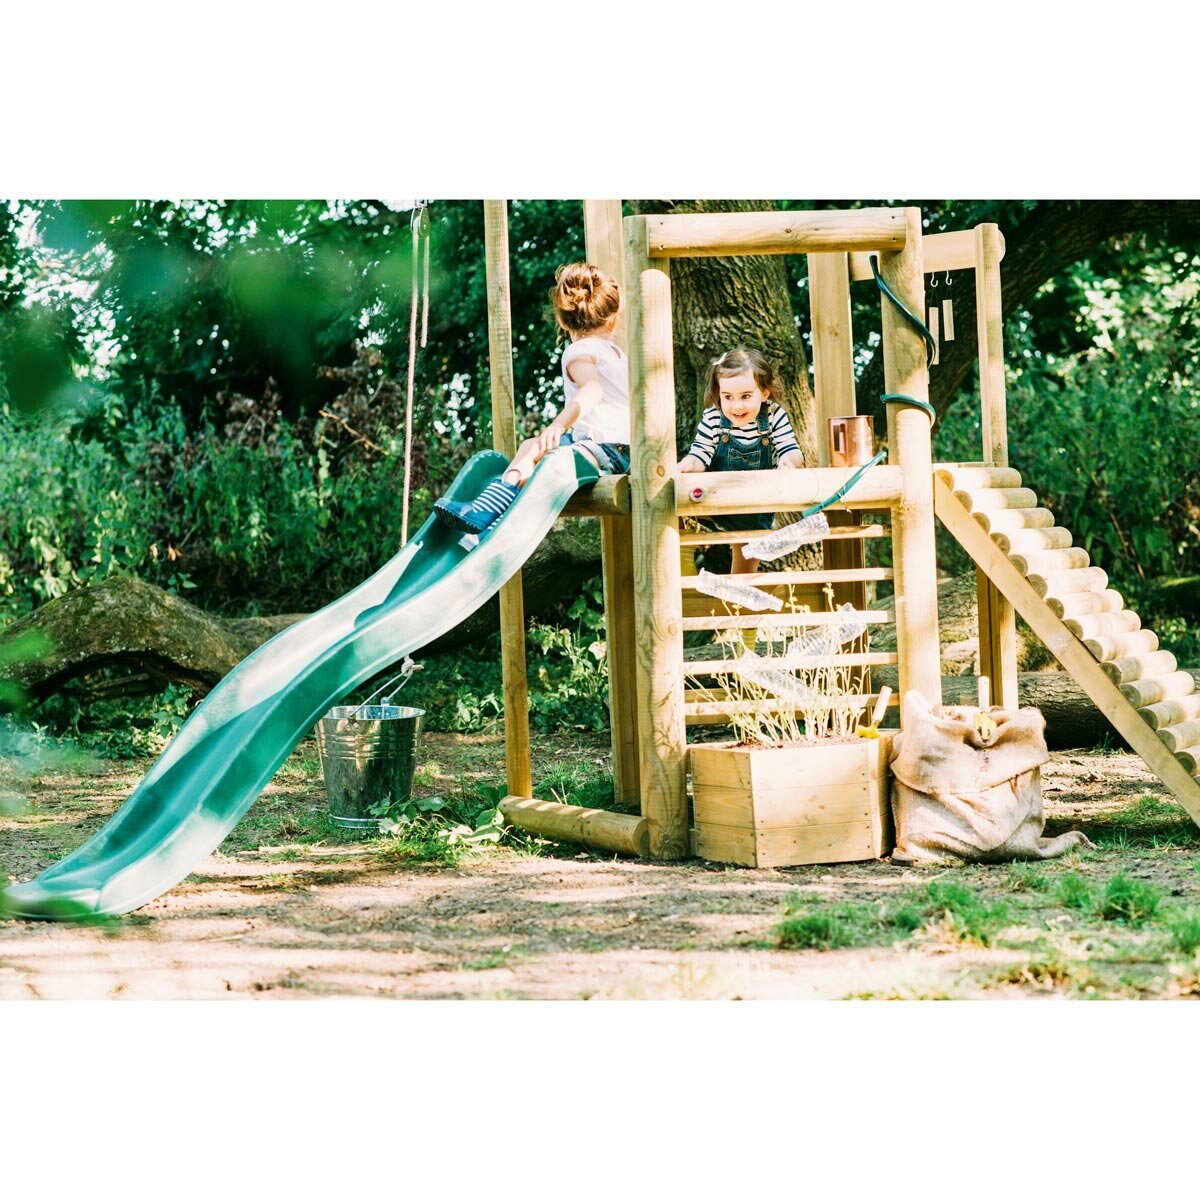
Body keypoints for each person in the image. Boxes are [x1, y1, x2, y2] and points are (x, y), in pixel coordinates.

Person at [435, 262, 631, 535]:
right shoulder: (619, 355)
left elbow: (592, 390)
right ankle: (494, 505)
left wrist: (558, 425)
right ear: (613, 318)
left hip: (603, 449)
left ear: (563, 319)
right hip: (627, 451)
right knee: (532, 446)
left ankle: (489, 510)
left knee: (534, 450)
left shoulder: (579, 351)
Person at [677, 346, 804, 574]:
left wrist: (788, 462)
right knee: (676, 505)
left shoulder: (774, 416)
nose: (736, 406)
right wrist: (689, 463)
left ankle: (739, 597)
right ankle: (682, 567)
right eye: (728, 397)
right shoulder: (714, 417)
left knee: (747, 554)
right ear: (719, 395)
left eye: (746, 396)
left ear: (764, 393)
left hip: (755, 506)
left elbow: (792, 450)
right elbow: (700, 454)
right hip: (717, 501)